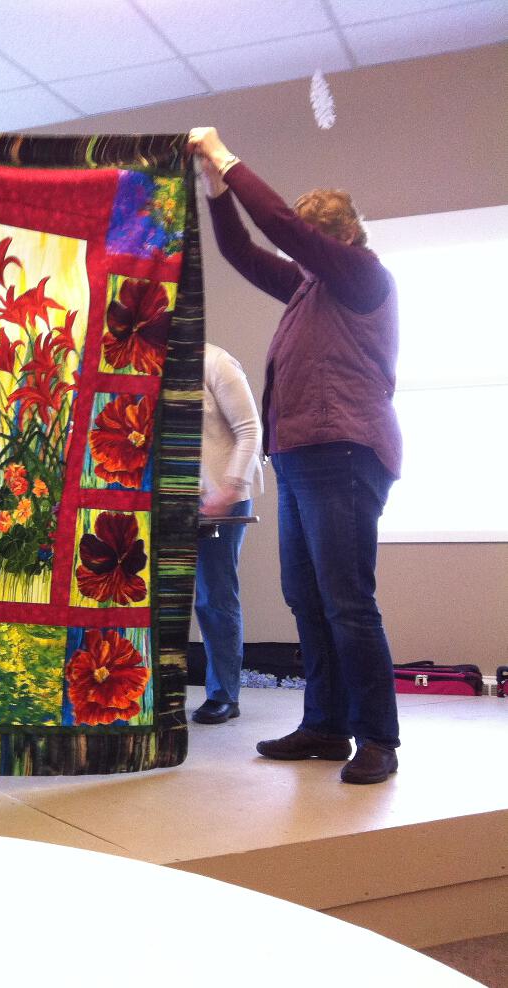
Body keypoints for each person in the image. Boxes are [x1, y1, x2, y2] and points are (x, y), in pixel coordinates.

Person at [188, 127, 401, 784]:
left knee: (346, 600)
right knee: (305, 595)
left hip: (344, 453)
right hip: (303, 459)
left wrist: (225, 155)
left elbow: (281, 229)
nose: (300, 252)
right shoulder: (311, 288)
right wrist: (212, 188)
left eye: (311, 242)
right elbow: (240, 251)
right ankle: (325, 726)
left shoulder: (361, 276)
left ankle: (378, 738)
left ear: (340, 238)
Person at [191, 343, 263, 725]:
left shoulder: (216, 363)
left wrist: (230, 489)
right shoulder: (143, 369)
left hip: (221, 497)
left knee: (214, 596)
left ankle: (223, 695)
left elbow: (250, 431)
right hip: (167, 499)